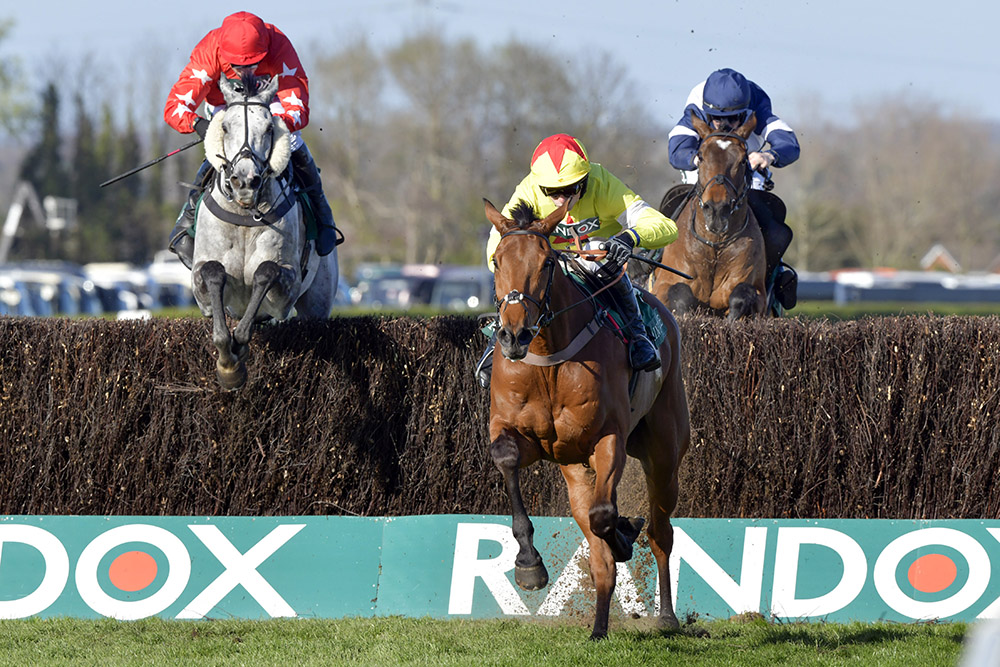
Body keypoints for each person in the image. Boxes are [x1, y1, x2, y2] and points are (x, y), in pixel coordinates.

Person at [477, 133, 678, 388]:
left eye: (570, 189)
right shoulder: (529, 188)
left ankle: (637, 333)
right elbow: (499, 239)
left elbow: (666, 227)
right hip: (548, 263)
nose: (561, 199)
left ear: (584, 180)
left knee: (596, 254)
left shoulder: (603, 184)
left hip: (597, 260)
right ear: (541, 186)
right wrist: (508, 267)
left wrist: (629, 237)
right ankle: (498, 338)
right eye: (552, 192)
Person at [163, 11, 342, 269]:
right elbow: (175, 106)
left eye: (252, 63)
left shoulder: (279, 45)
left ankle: (323, 216)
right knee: (226, 149)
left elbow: (298, 105)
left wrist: (277, 127)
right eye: (237, 65)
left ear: (265, 49)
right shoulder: (209, 49)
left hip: (270, 106)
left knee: (291, 142)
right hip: (226, 106)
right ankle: (187, 220)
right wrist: (201, 126)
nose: (245, 69)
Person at [666, 67, 800, 309]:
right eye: (718, 119)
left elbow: (789, 142)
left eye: (733, 119)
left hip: (744, 173)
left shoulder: (756, 100)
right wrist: (700, 161)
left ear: (745, 111)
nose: (725, 125)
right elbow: (676, 148)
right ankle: (647, 261)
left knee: (771, 217)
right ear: (707, 112)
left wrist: (769, 155)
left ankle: (775, 275)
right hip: (703, 173)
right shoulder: (697, 103)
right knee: (671, 204)